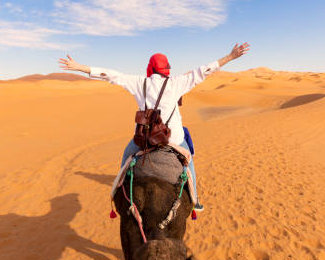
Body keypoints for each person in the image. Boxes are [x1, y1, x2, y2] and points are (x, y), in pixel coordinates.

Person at [59, 43, 250, 211]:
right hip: (173, 138)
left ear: (150, 68)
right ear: (167, 69)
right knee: (188, 160)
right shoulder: (176, 83)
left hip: (146, 140)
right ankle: (195, 200)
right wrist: (231, 57)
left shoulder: (139, 83)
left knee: (126, 156)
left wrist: (79, 67)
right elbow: (204, 70)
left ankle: (118, 191)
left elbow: (109, 75)